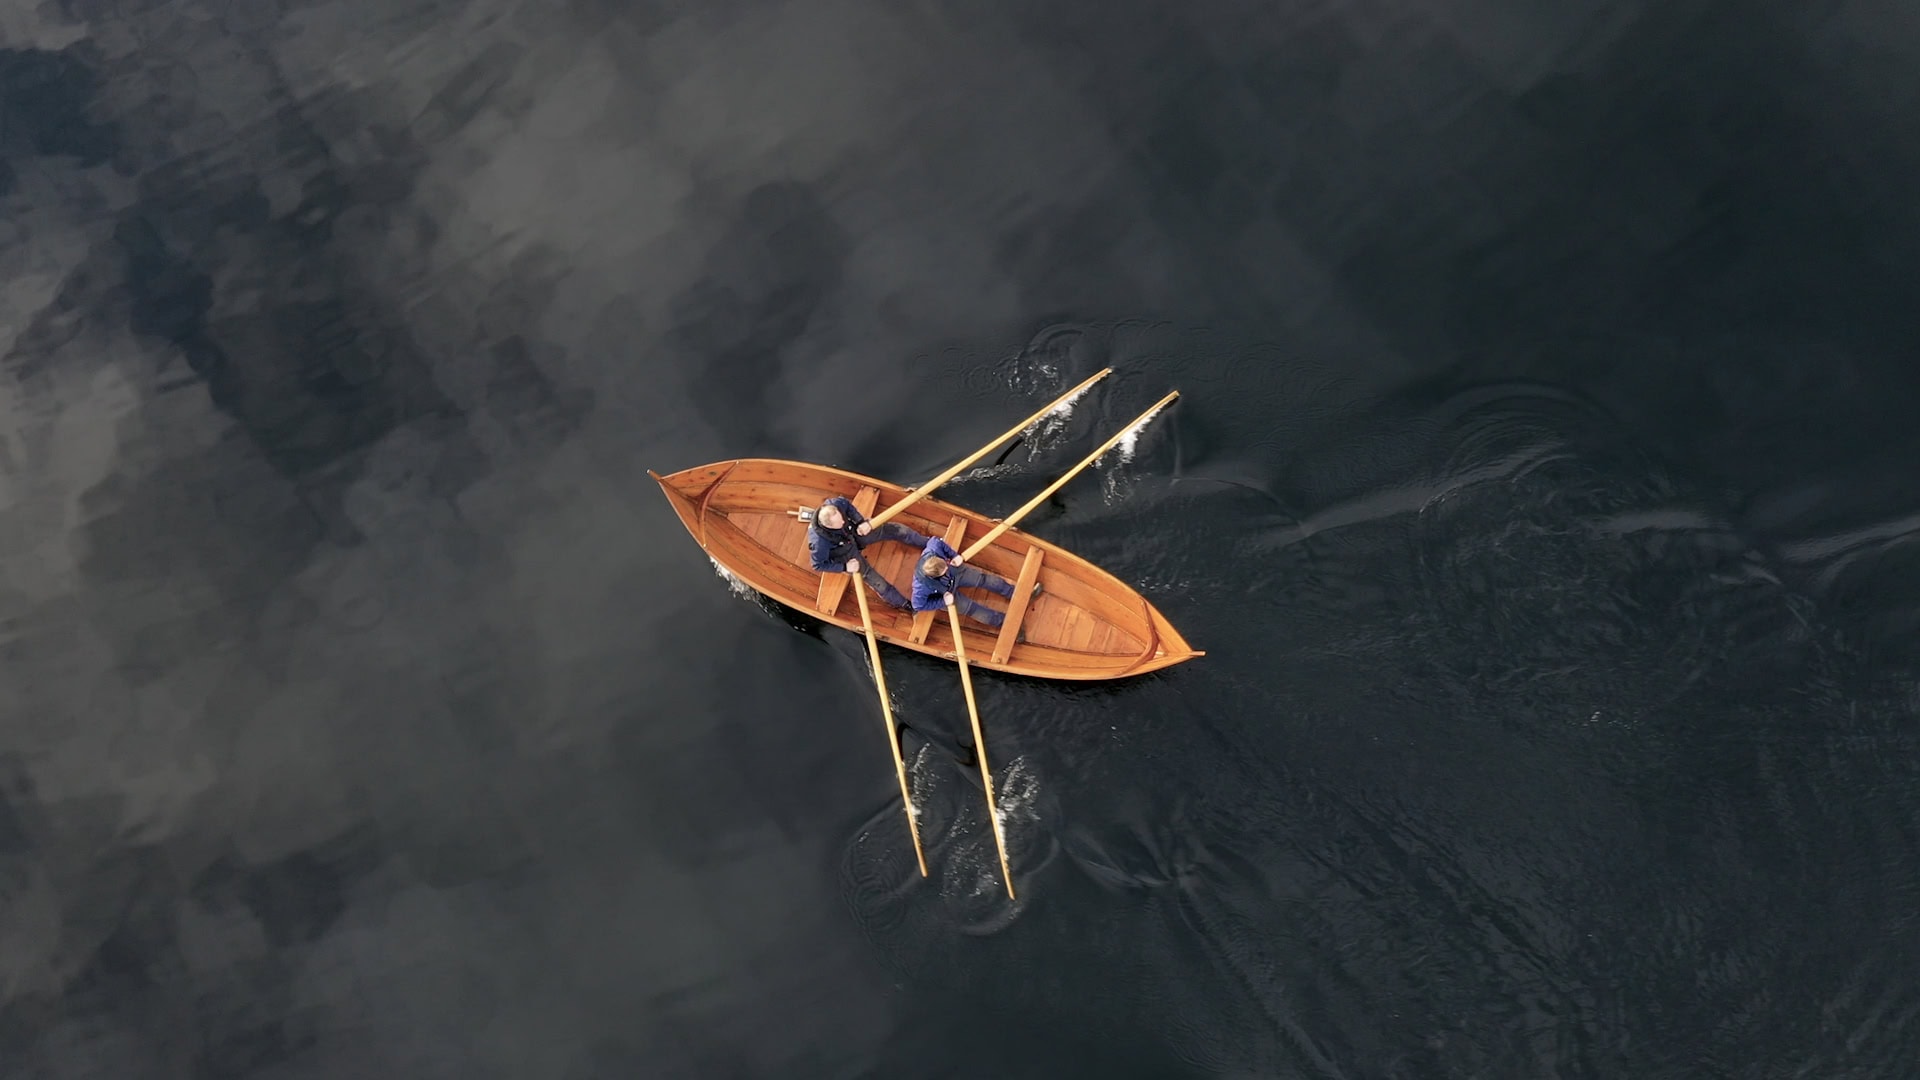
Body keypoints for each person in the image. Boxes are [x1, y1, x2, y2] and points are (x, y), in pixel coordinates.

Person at [807, 497, 930, 609]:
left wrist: (860, 522)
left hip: (853, 532)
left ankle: (928, 542)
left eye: (842, 518)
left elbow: (848, 507)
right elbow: (817, 565)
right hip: (843, 553)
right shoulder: (819, 544)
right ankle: (904, 604)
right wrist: (844, 567)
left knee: (895, 529)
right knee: (875, 580)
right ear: (828, 526)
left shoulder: (836, 504)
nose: (843, 522)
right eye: (839, 523)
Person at [911, 537, 1040, 630]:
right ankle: (1008, 624)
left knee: (985, 579)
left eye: (945, 566)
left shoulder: (933, 549)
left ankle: (1016, 594)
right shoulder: (921, 587)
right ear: (934, 576)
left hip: (955, 572)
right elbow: (918, 605)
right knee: (973, 609)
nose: (945, 569)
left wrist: (954, 556)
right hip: (944, 594)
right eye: (943, 571)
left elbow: (936, 541)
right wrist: (943, 602)